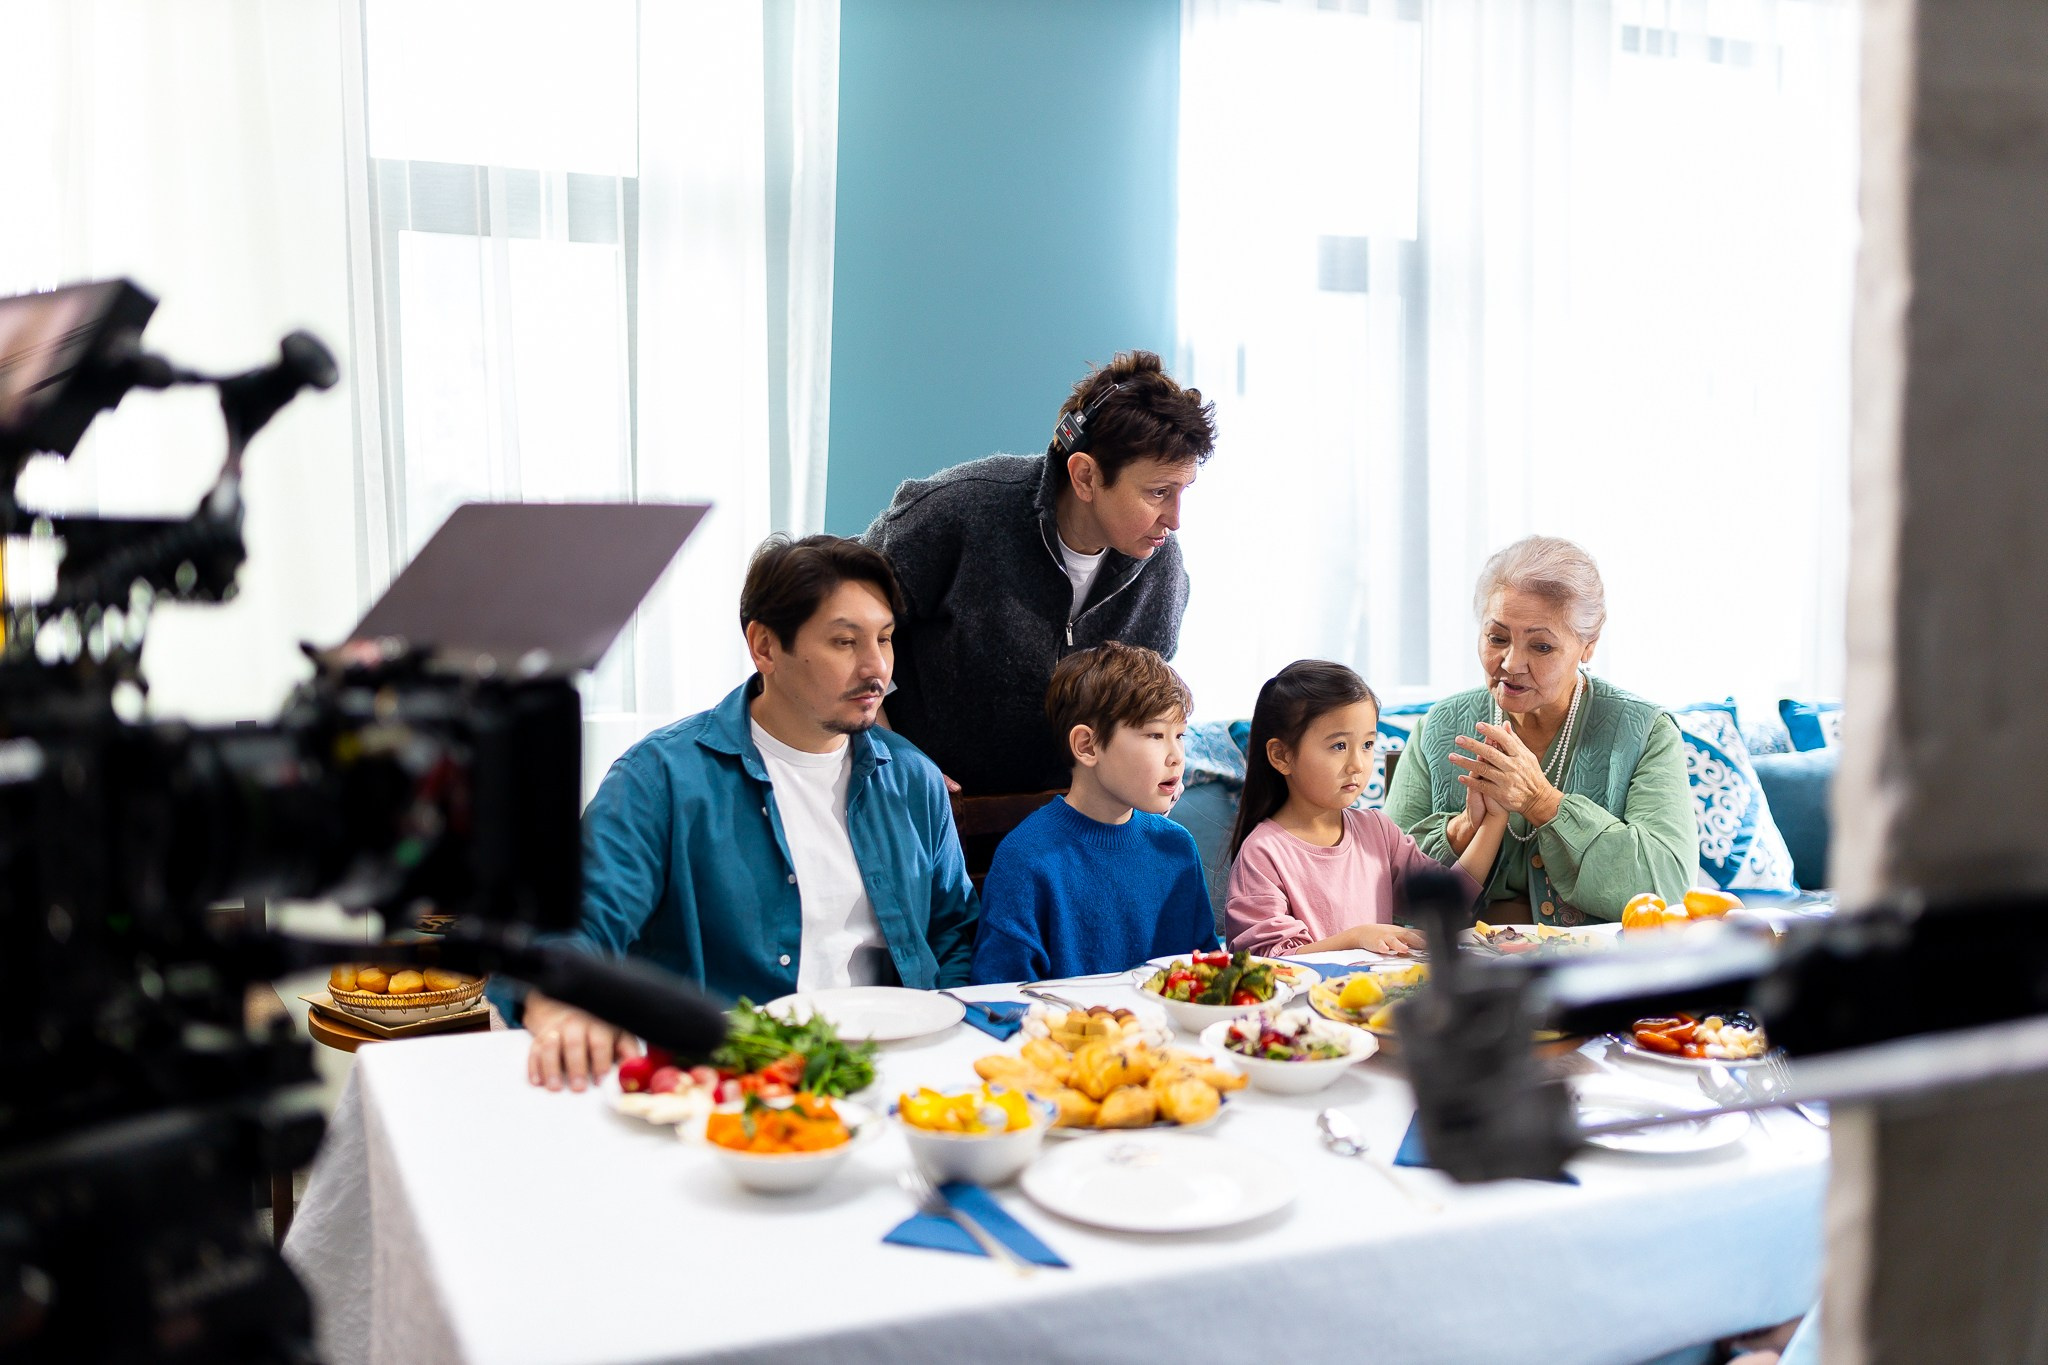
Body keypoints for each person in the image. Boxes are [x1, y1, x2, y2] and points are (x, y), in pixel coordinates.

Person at [508, 534, 978, 1090]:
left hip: (892, 1074)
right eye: (845, 642)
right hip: (723, 1081)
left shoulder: (911, 778)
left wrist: (942, 1052)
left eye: (885, 638)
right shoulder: (660, 778)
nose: (877, 668)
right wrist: (560, 1009)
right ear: (764, 647)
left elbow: (955, 934)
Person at [862, 350, 1217, 795]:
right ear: (1085, 476)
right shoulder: (957, 514)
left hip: (1062, 824)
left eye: (1183, 491)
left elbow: (1135, 706)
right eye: (1159, 492)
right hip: (922, 810)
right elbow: (839, 628)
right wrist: (890, 752)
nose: (1175, 518)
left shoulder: (1160, 567)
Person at [1382, 535, 1694, 924]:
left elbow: (1666, 887)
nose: (1511, 663)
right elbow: (1385, 889)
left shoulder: (1647, 733)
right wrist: (1464, 829)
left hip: (1594, 970)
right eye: (1497, 638)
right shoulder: (1438, 728)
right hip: (1460, 965)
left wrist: (1541, 801)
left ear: (1588, 646)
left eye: (1541, 647)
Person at [969, 642, 1217, 983]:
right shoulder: (1026, 859)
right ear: (1087, 746)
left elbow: (1203, 974)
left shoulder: (1177, 847)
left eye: (1180, 735)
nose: (1176, 755)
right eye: (1155, 735)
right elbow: (999, 998)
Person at [1225, 661, 1506, 957]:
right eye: (1339, 746)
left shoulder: (1377, 831)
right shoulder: (1263, 853)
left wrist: (1495, 817)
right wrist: (1358, 937)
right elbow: (1267, 962)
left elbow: (1451, 899)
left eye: (1368, 744)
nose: (1358, 764)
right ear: (1281, 755)